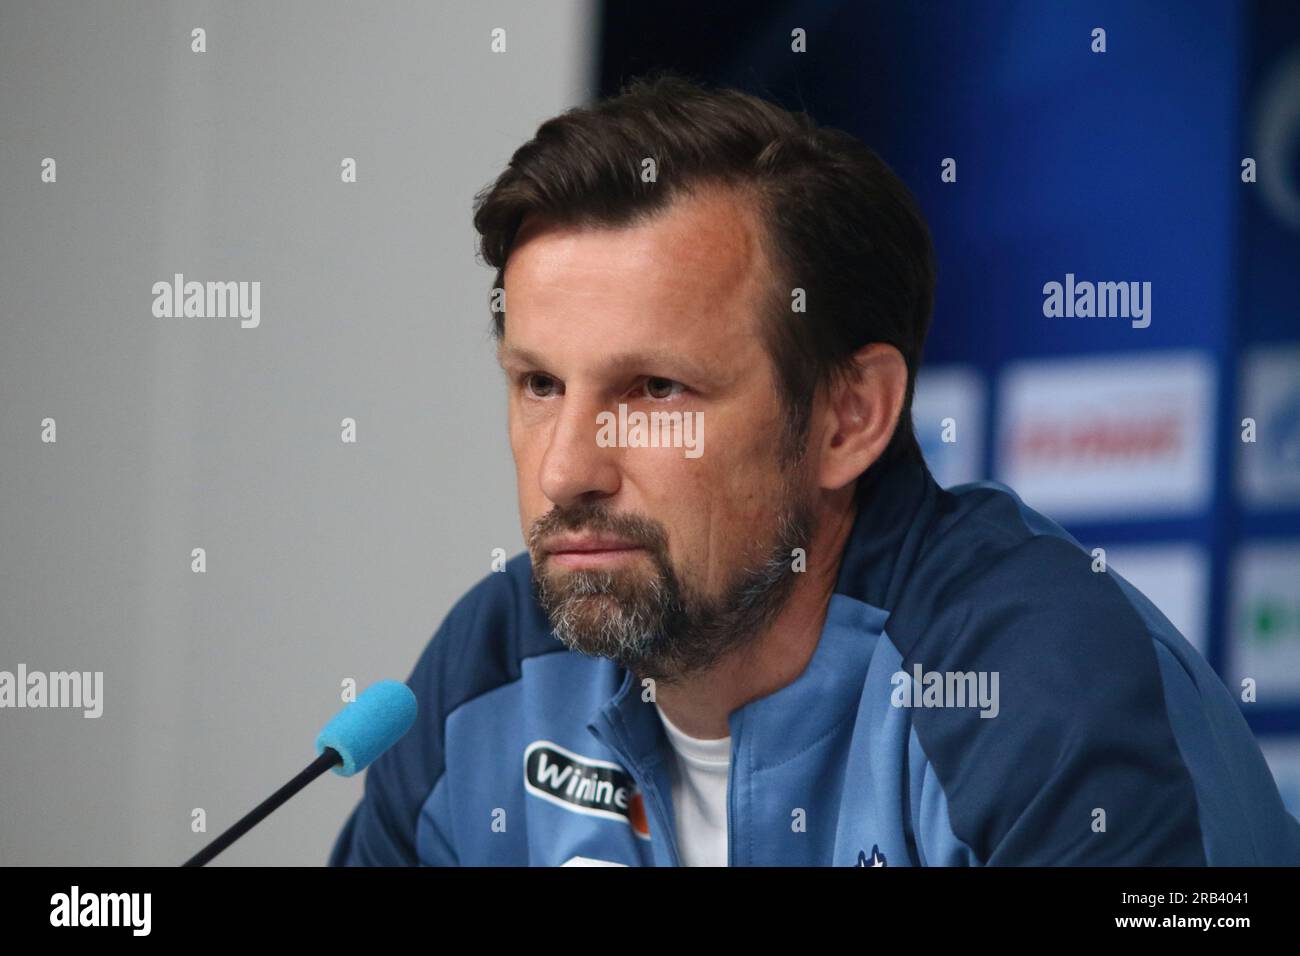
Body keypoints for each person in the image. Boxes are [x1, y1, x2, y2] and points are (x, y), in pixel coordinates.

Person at [329, 73, 1300, 866]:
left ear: (850, 415)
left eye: (657, 388)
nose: (566, 469)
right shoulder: (496, 670)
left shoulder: (1034, 682)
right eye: (539, 383)